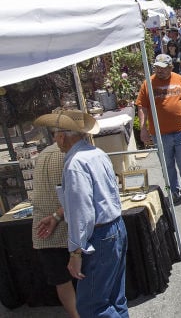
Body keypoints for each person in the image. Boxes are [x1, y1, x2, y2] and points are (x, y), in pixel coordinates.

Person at [34, 110, 128, 318]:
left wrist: (76, 253)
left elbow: (81, 212)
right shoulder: (97, 153)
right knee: (115, 298)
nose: (55, 140)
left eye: (55, 136)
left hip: (100, 235)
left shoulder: (75, 163)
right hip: (114, 227)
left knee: (93, 307)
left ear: (61, 136)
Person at [136, 54, 181, 203]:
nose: (160, 71)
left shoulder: (179, 79)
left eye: (163, 68)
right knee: (167, 163)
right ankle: (173, 190)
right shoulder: (148, 83)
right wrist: (143, 129)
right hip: (160, 133)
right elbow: (142, 107)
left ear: (171, 67)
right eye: (157, 68)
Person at [31, 142, 79, 318]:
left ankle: (75, 315)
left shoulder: (43, 154)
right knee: (81, 275)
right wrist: (58, 214)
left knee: (62, 281)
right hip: (65, 227)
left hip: (42, 228)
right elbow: (75, 193)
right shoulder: (70, 154)